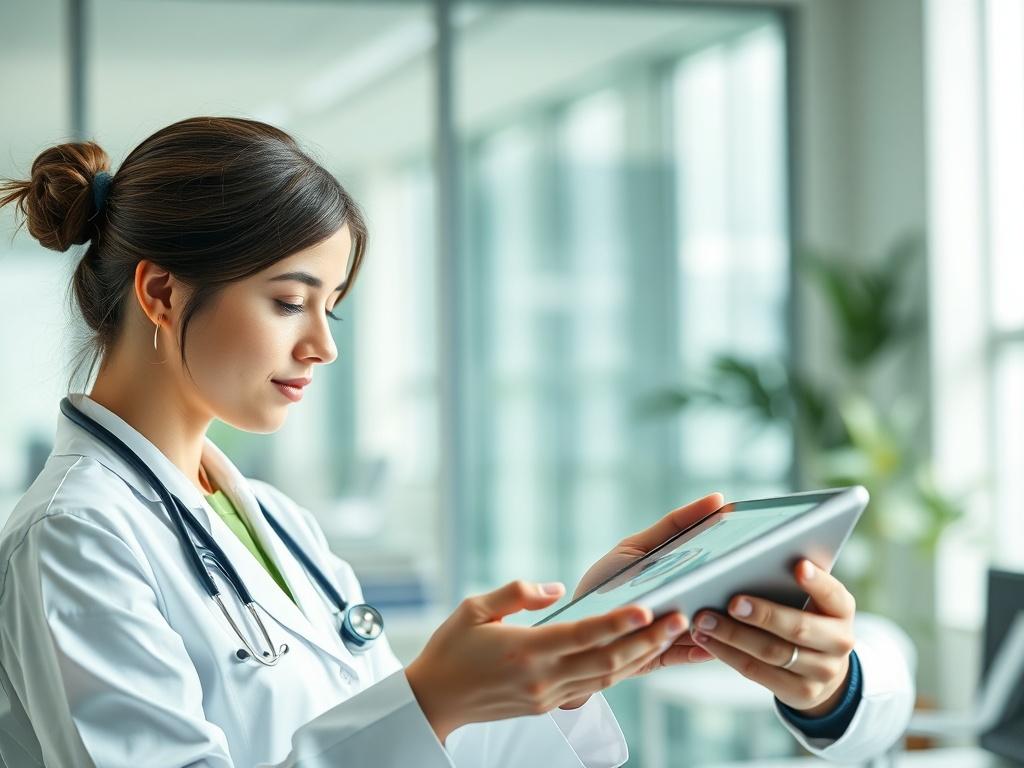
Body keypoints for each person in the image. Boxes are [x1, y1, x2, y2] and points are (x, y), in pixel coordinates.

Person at [0, 117, 914, 767]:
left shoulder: (274, 523)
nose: (323, 346)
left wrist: (566, 654)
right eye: (288, 301)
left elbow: (391, 750)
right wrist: (432, 695)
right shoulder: (74, 537)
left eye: (332, 308)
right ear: (160, 295)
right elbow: (395, 732)